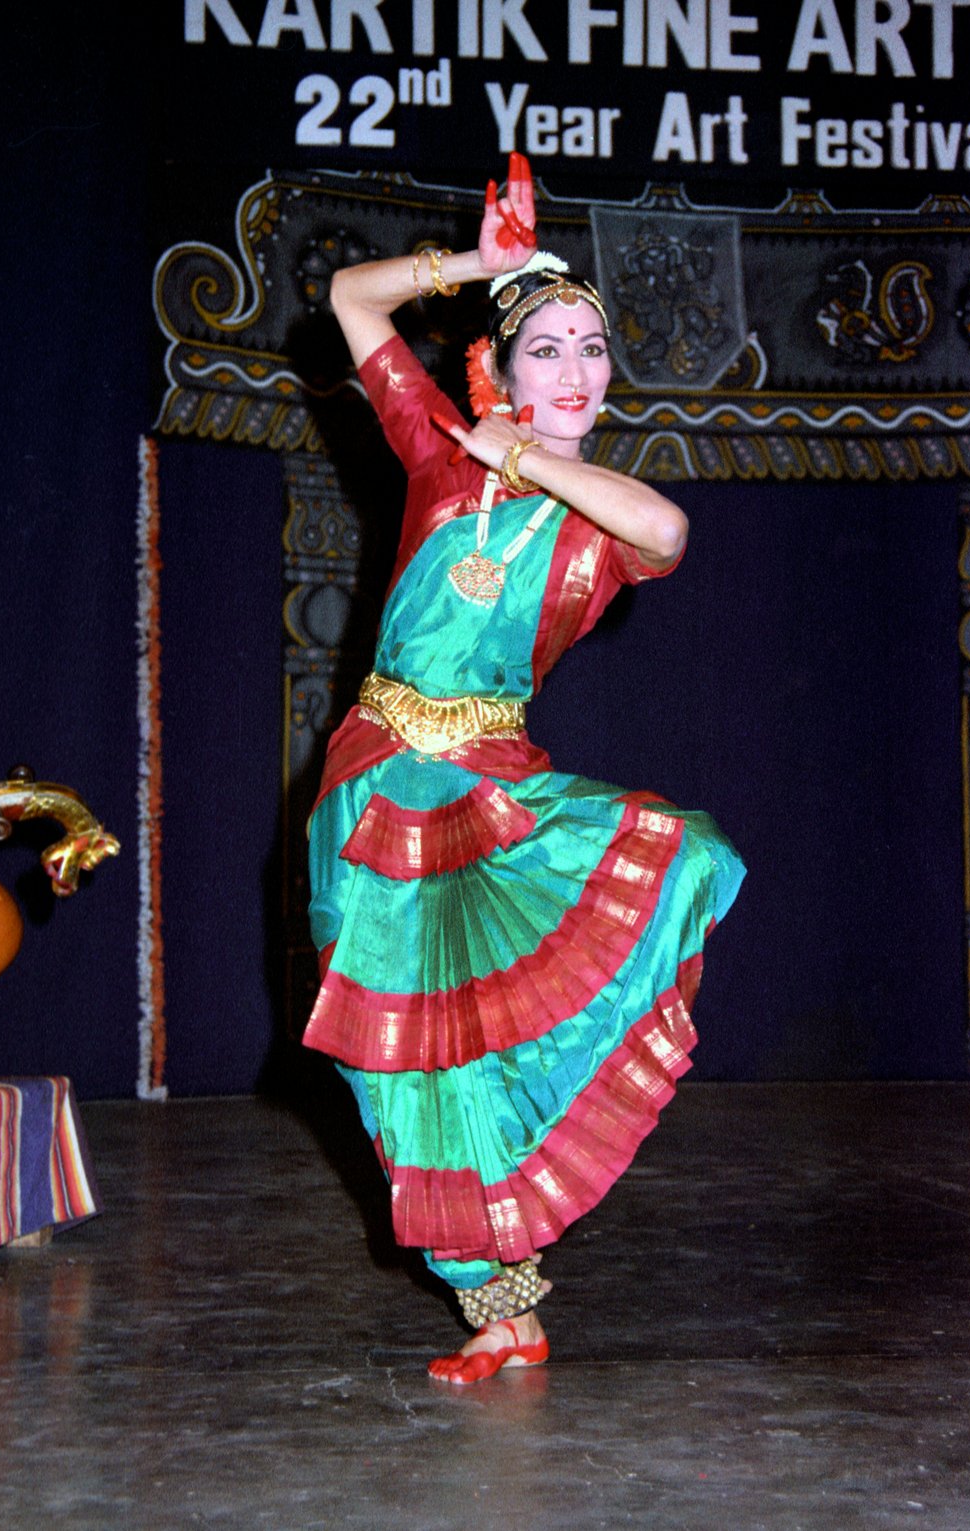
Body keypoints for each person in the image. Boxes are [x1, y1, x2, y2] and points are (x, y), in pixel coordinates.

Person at [304, 154, 745, 1384]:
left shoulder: (596, 512)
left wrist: (519, 454)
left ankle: (509, 1288)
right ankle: (495, 1306)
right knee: (385, 1061)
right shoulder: (434, 455)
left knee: (665, 875)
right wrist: (479, 265)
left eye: (590, 350)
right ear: (497, 367)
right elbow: (349, 298)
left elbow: (666, 530)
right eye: (544, 349)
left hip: (485, 791)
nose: (573, 371)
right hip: (366, 787)